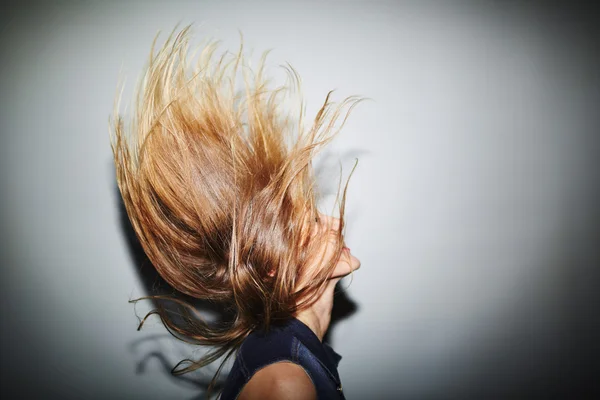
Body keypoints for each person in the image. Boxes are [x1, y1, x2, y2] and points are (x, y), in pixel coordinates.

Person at [110, 25, 363, 399]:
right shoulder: (287, 384)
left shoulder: (285, 353)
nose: (336, 222)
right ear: (274, 264)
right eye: (312, 224)